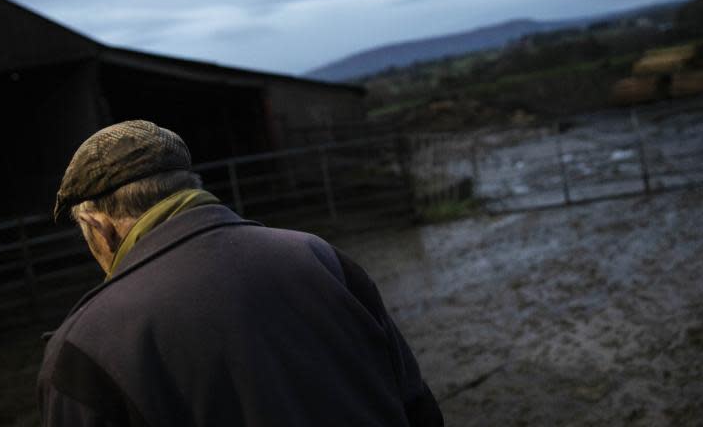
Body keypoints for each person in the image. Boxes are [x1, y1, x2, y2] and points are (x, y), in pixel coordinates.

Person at [38, 120, 443, 426]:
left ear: (97, 224)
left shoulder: (84, 346)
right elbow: (420, 408)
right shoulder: (321, 257)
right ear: (188, 188)